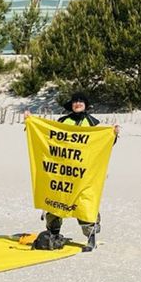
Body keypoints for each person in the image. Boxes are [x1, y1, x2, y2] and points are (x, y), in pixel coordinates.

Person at [40, 92, 119, 251]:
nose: (78, 103)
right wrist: (30, 122)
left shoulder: (92, 123)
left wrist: (114, 135)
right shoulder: (63, 122)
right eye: (75, 101)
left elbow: (102, 143)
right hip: (63, 170)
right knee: (56, 201)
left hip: (85, 172)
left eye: (81, 101)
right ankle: (53, 232)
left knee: (84, 203)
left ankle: (91, 237)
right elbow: (49, 138)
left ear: (85, 104)